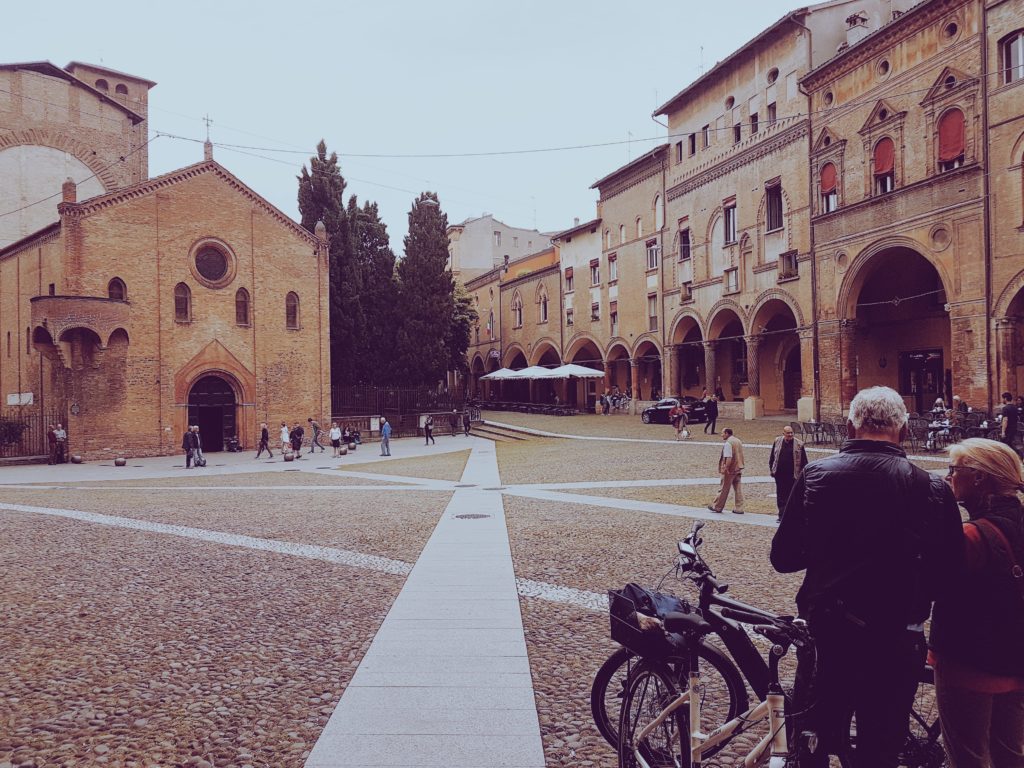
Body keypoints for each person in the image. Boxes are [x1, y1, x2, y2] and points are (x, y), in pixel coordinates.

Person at [771, 386, 964, 768]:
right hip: (897, 638)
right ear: (905, 430)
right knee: (880, 749)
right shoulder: (933, 488)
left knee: (813, 742)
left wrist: (828, 547)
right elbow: (949, 580)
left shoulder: (815, 475)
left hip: (827, 635)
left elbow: (784, 558)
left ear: (849, 426)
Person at [931, 438, 1024, 767]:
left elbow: (934, 585)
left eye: (954, 470)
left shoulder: (972, 536)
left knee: (967, 755)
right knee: (1011, 754)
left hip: (969, 666)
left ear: (980, 478)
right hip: (1016, 663)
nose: (948, 477)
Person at [769, 425, 808, 523]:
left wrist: (801, 475)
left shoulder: (799, 444)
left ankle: (791, 516)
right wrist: (772, 469)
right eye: (788, 433)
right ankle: (781, 516)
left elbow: (804, 461)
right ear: (783, 434)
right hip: (780, 475)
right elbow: (772, 457)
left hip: (793, 475)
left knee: (792, 496)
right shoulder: (777, 441)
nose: (790, 435)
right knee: (781, 495)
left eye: (791, 433)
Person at [708, 428, 744, 514]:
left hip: (730, 469)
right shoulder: (738, 441)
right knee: (738, 489)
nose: (721, 435)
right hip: (738, 467)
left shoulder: (728, 443)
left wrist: (725, 468)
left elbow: (728, 457)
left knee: (724, 488)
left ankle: (717, 506)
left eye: (722, 433)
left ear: (727, 433)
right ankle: (739, 507)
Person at [1000, 392, 1021, 458]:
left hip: (1008, 429)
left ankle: (1019, 454)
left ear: (1005, 399)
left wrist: (1003, 432)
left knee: (1006, 444)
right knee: (1009, 443)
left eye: (1002, 398)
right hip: (1014, 428)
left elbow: (1005, 420)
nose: (1002, 400)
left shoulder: (1005, 408)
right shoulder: (1015, 408)